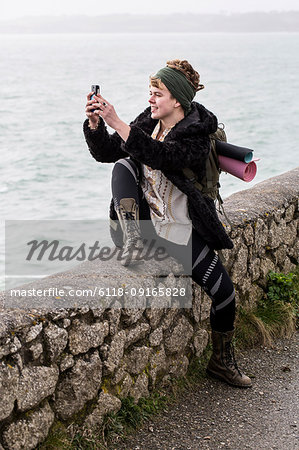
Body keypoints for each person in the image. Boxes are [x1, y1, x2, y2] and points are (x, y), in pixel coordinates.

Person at [83, 59, 252, 388]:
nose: (150, 100)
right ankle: (133, 240)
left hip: (181, 230)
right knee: (122, 165)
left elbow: (162, 156)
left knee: (225, 294)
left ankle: (221, 362)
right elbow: (109, 151)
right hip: (146, 225)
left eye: (156, 94)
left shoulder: (197, 136)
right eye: (150, 92)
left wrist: (117, 121)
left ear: (176, 99)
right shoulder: (148, 121)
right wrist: (96, 125)